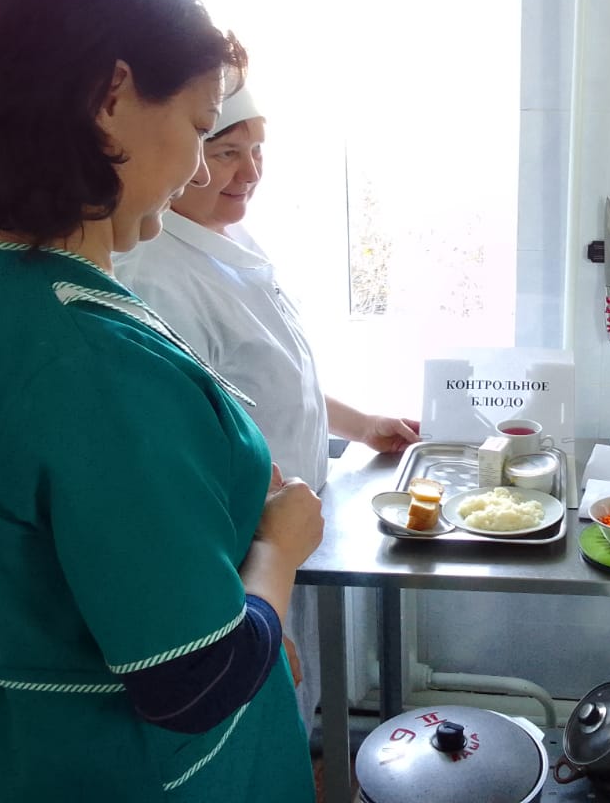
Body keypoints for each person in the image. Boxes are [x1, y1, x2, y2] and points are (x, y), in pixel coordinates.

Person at [0, 0, 324, 802]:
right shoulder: (91, 358)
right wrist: (277, 554)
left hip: (23, 753)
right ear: (109, 98)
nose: (197, 167)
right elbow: (194, 680)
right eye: (199, 127)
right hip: (139, 772)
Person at [114, 85, 420, 729]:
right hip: (241, 555)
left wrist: (362, 425)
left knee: (293, 705)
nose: (250, 172)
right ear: (181, 153)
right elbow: (182, 463)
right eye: (226, 152)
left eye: (258, 150)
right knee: (260, 710)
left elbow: (273, 379)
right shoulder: (155, 277)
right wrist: (251, 580)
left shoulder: (231, 238)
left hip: (286, 531)